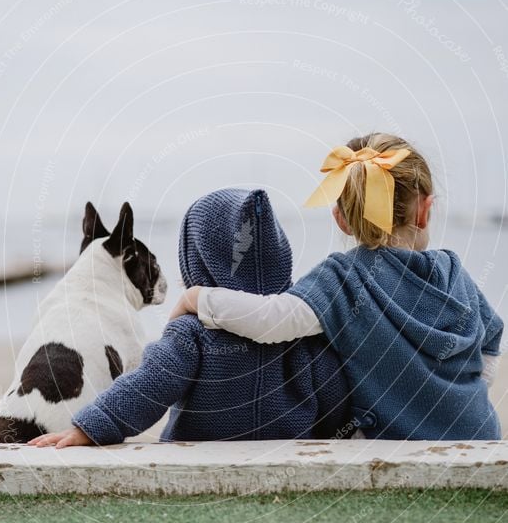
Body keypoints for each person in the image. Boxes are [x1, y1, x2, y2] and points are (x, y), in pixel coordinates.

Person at [170, 135, 503, 440]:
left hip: (395, 444)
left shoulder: (343, 278)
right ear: (424, 210)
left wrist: (199, 298)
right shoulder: (454, 272)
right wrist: (463, 395)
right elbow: (491, 340)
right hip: (479, 434)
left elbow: (272, 320)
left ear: (341, 219)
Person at [29, 188, 350, 448]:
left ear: (197, 259)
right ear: (279, 255)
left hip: (194, 458)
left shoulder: (192, 333)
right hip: (287, 462)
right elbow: (336, 402)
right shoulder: (302, 333)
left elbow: (147, 387)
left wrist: (92, 427)